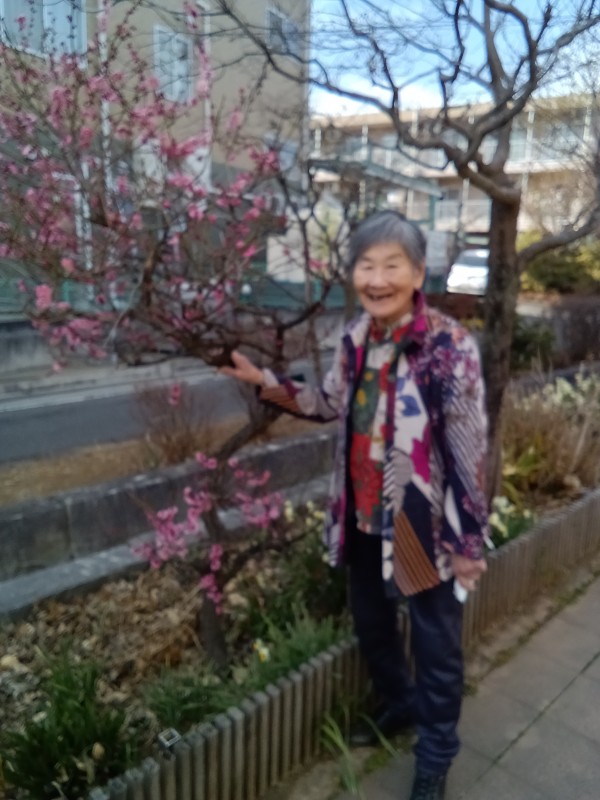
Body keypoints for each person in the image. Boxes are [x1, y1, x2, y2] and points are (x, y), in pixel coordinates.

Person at [220, 210, 489, 800]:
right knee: (371, 623)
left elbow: (469, 447)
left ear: (417, 272)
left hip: (421, 523)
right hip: (364, 515)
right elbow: (326, 404)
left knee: (436, 645)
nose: (378, 279)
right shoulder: (356, 338)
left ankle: (435, 757)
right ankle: (400, 704)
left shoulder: (447, 345)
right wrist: (265, 382)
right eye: (367, 266)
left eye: (392, 265)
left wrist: (468, 540)